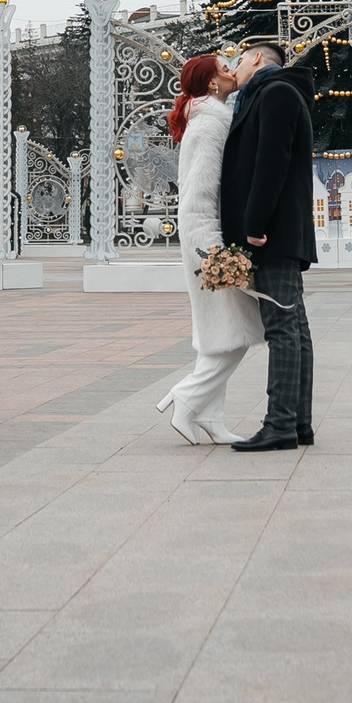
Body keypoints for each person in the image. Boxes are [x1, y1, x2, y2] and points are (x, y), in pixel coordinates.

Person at [153, 53, 261, 445]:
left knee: (221, 333)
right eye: (225, 69)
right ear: (212, 84)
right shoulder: (208, 126)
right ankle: (186, 397)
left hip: (207, 240)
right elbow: (197, 197)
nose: (233, 72)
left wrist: (241, 81)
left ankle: (210, 417)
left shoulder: (210, 116)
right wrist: (214, 252)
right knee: (238, 332)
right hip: (206, 242)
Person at [217, 39, 318, 451]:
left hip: (272, 233)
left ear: (257, 59)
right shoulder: (272, 93)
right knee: (294, 328)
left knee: (282, 328)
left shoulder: (275, 92)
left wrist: (254, 224)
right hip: (278, 231)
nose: (234, 68)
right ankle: (297, 425)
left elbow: (270, 161)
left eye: (239, 60)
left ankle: (280, 425)